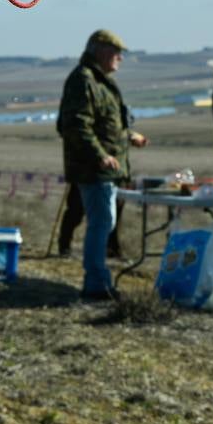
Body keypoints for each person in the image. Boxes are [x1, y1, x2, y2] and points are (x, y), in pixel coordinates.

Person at [58, 29, 149, 300]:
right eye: (115, 51)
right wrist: (100, 155)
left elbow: (105, 125)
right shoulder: (83, 80)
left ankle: (97, 281)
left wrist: (128, 136)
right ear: (99, 50)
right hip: (94, 169)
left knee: (104, 224)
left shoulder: (100, 82)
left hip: (106, 169)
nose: (120, 57)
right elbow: (75, 125)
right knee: (100, 225)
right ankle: (96, 285)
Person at [55, 181, 121, 259]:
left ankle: (111, 246)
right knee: (75, 212)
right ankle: (64, 245)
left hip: (108, 180)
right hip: (83, 179)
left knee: (109, 216)